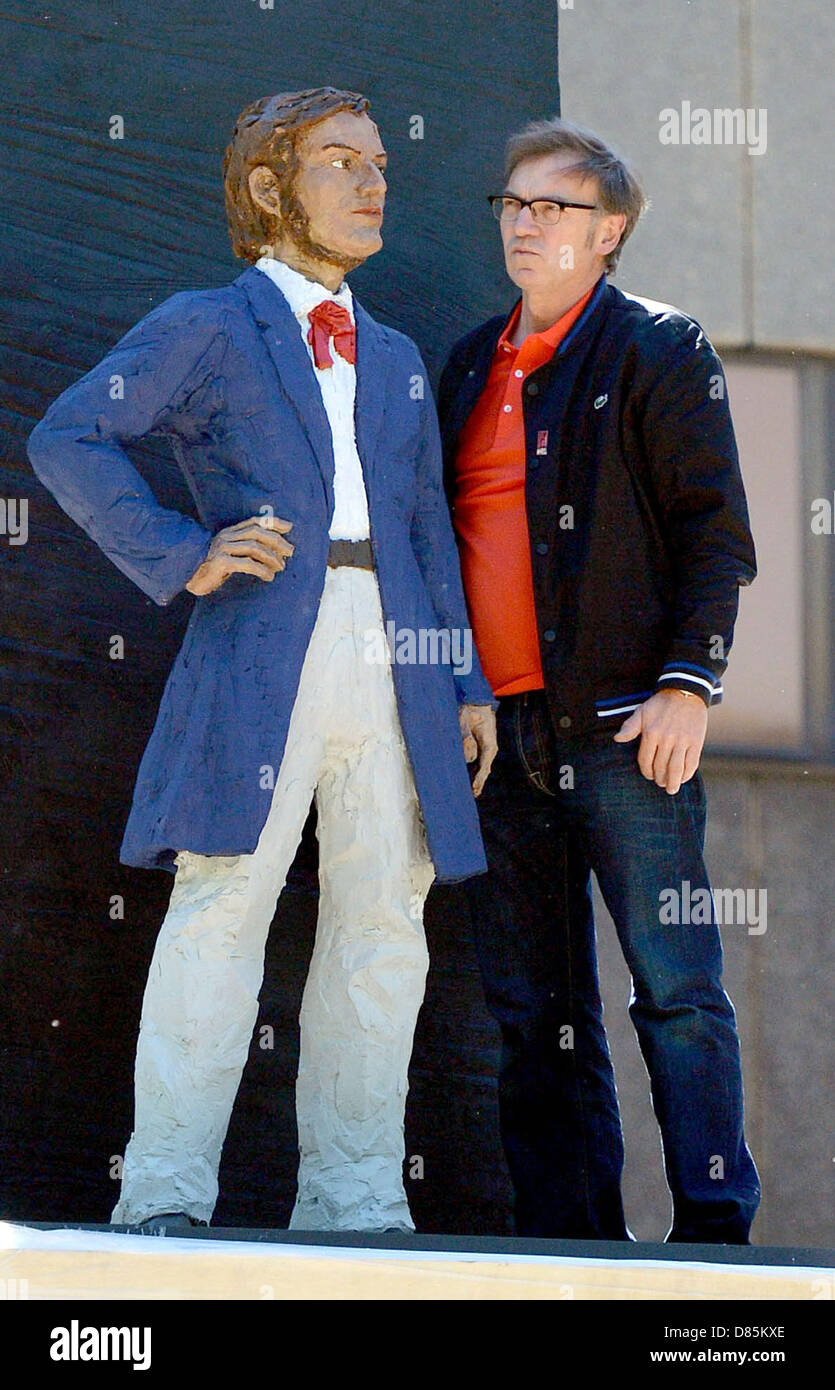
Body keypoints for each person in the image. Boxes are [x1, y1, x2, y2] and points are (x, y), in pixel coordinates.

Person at [27, 86, 497, 1235]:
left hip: (394, 655)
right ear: (268, 188)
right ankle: (166, 1194)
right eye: (341, 160)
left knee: (387, 916)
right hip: (260, 649)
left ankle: (355, 1201)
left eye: (380, 160)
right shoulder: (209, 321)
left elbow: (428, 526)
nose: (374, 180)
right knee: (223, 903)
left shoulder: (390, 357)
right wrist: (185, 555)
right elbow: (68, 434)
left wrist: (465, 678)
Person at [438, 116, 761, 1243]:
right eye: (511, 205)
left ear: (608, 230)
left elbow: (716, 535)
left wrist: (689, 684)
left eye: (553, 208)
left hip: (628, 730)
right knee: (534, 1012)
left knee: (675, 993)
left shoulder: (659, 350)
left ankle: (716, 1238)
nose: (525, 226)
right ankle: (566, 1242)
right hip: (496, 741)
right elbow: (444, 547)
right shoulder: (471, 362)